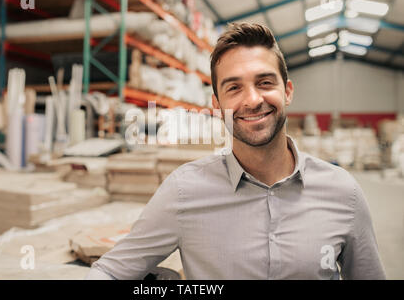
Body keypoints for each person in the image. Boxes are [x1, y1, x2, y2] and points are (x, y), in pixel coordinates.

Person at [86, 23, 386, 280]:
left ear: (288, 91)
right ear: (216, 105)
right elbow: (111, 271)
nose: (253, 100)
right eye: (234, 88)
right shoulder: (184, 191)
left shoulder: (342, 192)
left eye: (265, 82)